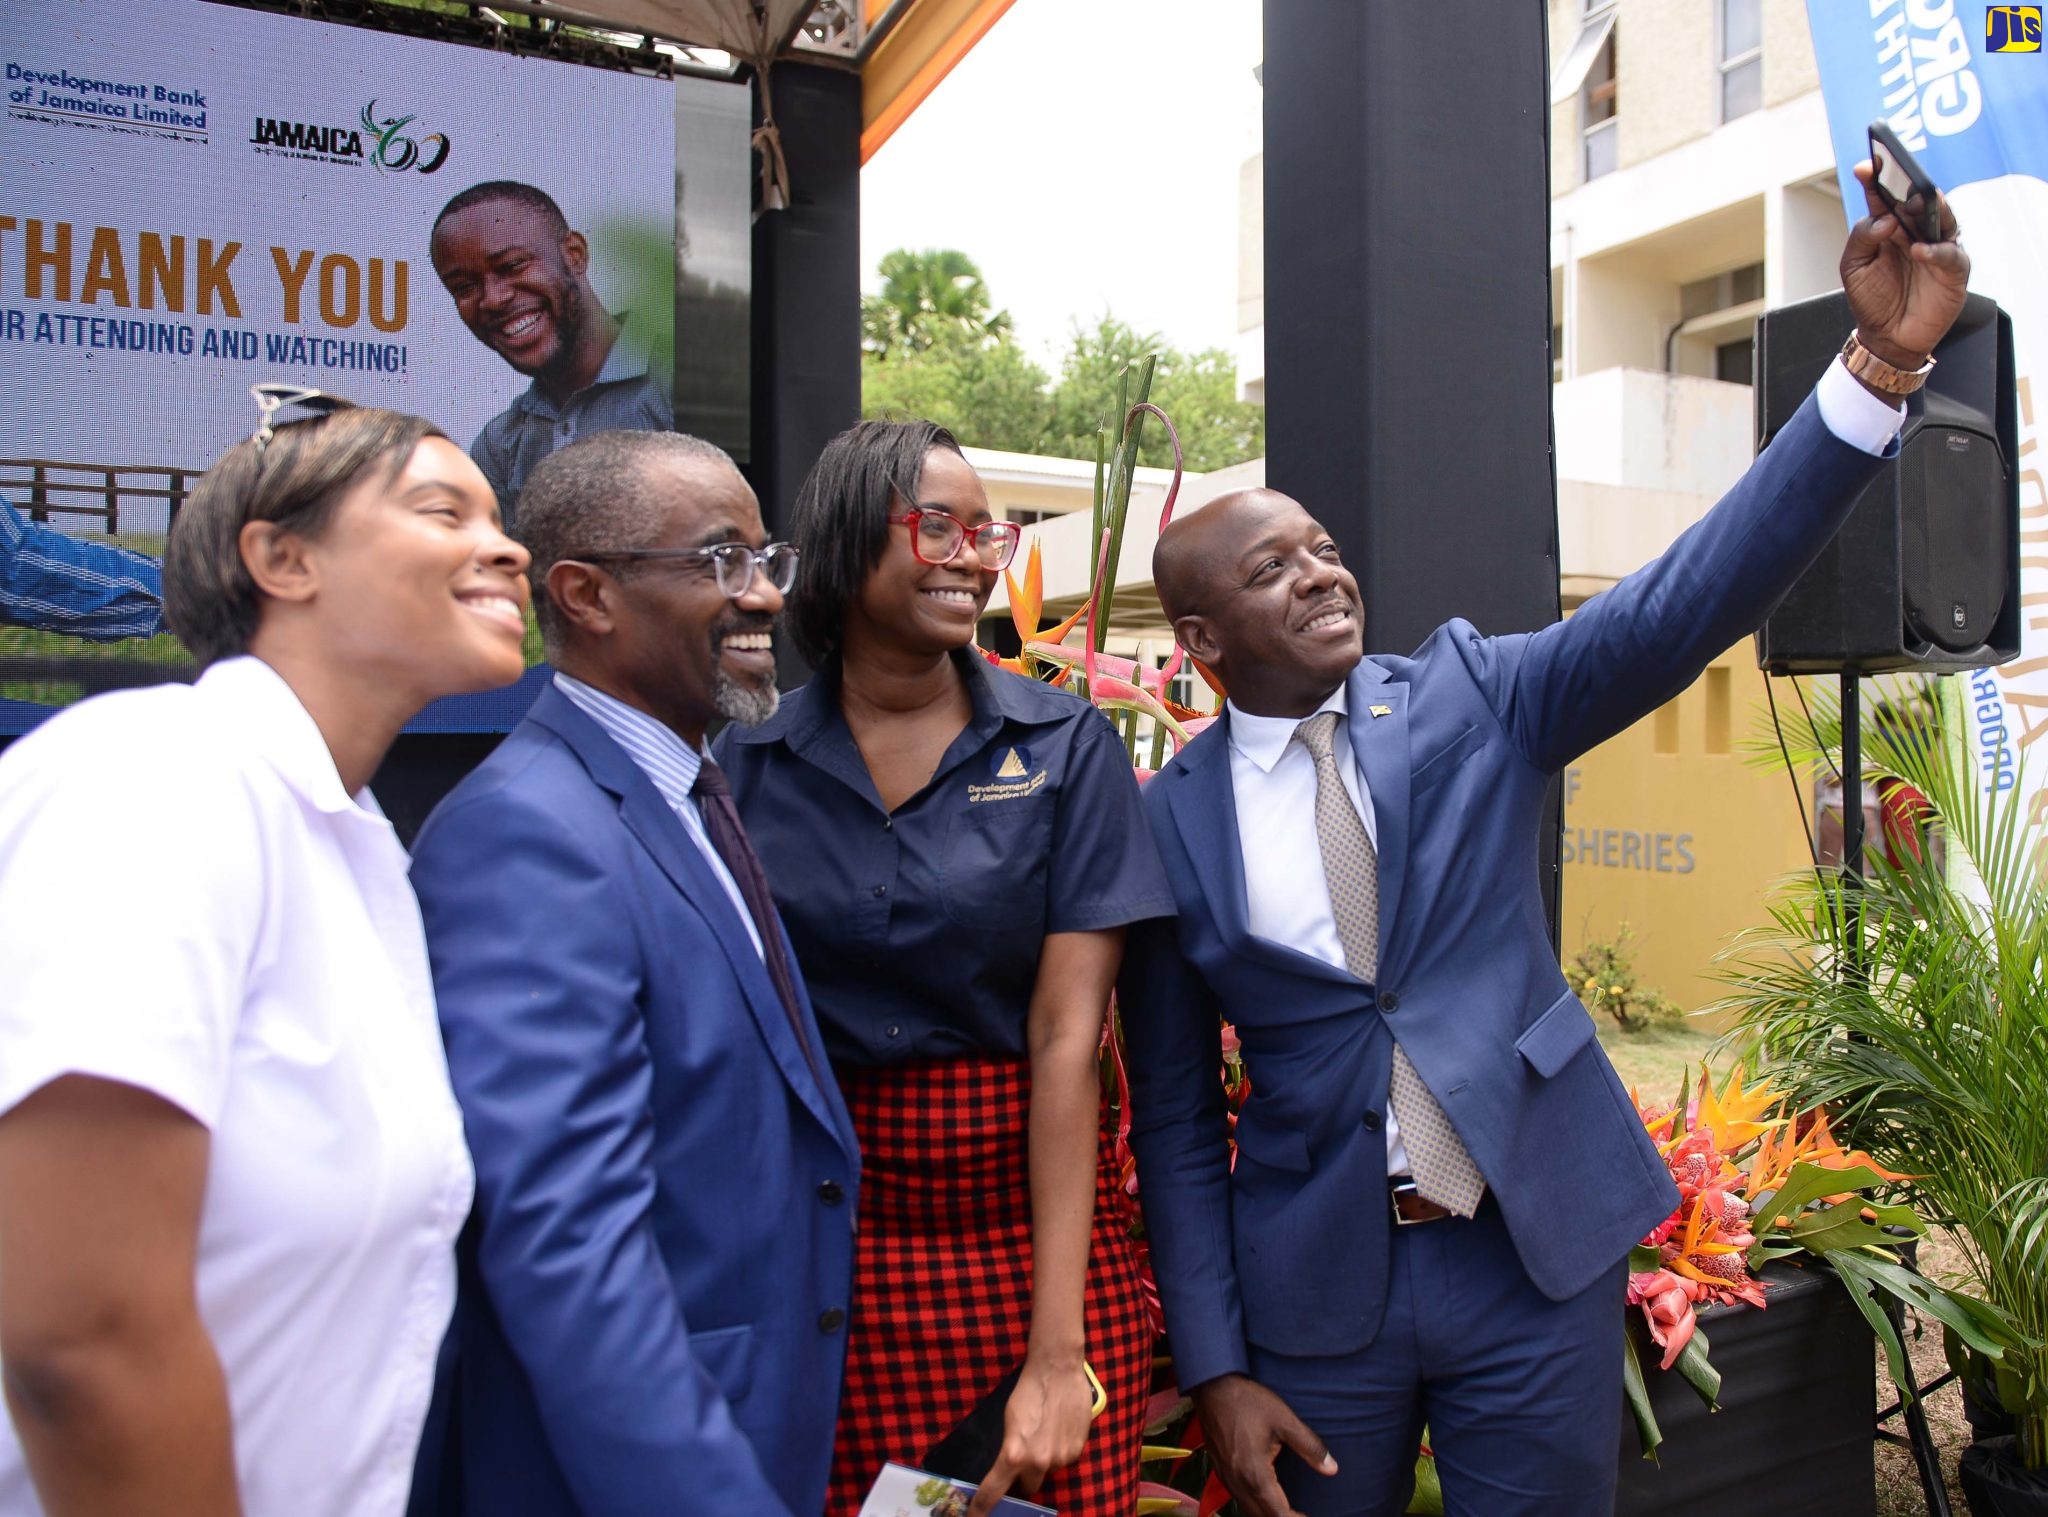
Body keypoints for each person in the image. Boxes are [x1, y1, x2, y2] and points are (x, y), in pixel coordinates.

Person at [1117, 164, 1969, 1517]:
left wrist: (1873, 372)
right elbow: (1168, 1111)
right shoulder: (1165, 820)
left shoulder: (1470, 693)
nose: (1321, 572)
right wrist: (1216, 1366)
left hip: (1529, 1259)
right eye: (1272, 567)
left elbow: (1684, 600)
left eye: (1321, 547)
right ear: (1200, 638)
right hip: (1316, 1297)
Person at [0, 383, 531, 1515]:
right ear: (282, 558)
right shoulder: (158, 776)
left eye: (499, 517)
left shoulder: (355, 846)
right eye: (444, 511)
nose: (508, 548)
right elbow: (82, 1337)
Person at [717, 419, 1177, 1517]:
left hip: (1028, 1242)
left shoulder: (1065, 747)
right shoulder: (743, 761)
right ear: (846, 538)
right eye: (938, 527)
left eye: (988, 534)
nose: (973, 557)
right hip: (830, 1249)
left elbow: (1066, 1041)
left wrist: (1056, 1351)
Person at [406, 428, 858, 1517]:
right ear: (586, 595)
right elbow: (566, 1243)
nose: (764, 596)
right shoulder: (527, 831)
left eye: (767, 558)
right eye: (721, 560)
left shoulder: (684, 791)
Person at [428, 181, 673, 517]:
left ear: (574, 255)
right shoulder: (499, 445)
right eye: (464, 287)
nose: (493, 299)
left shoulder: (677, 385)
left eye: (512, 266)